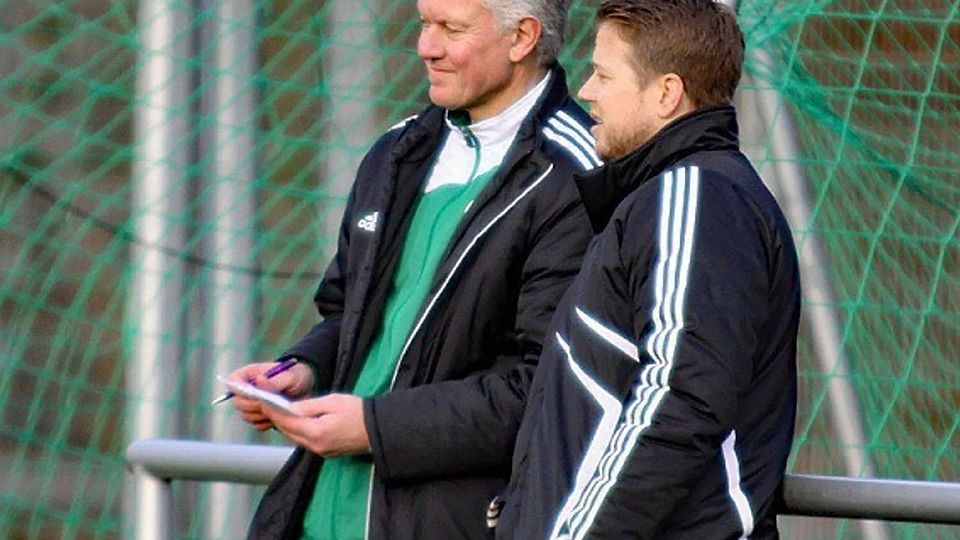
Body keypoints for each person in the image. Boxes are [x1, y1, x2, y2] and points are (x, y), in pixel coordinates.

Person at [227, 0, 599, 538]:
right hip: (318, 513)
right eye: (425, 23)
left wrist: (375, 429)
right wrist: (301, 369)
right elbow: (348, 315)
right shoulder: (397, 151)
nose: (426, 46)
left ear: (522, 38)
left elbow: (546, 387)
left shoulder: (578, 176)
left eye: (451, 28)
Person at [494, 1, 801, 539]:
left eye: (604, 74)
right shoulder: (659, 197)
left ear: (666, 93)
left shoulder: (698, 196)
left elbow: (678, 396)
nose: (586, 90)